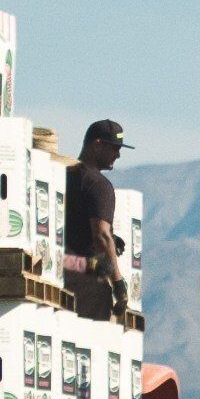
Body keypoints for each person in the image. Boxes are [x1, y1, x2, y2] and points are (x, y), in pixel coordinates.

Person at [63, 120, 131, 321]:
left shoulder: (62, 175)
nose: (118, 155)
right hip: (83, 281)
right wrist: (118, 283)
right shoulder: (99, 185)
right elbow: (102, 235)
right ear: (97, 144)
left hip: (60, 266)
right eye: (114, 148)